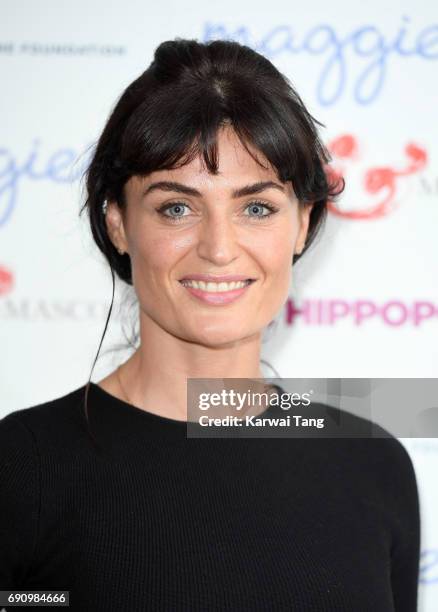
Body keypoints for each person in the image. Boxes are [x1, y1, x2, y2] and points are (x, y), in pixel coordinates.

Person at [0, 38, 420, 611]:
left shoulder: (372, 465)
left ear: (304, 222)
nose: (219, 249)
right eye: (177, 207)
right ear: (119, 223)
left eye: (257, 208)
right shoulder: (22, 469)